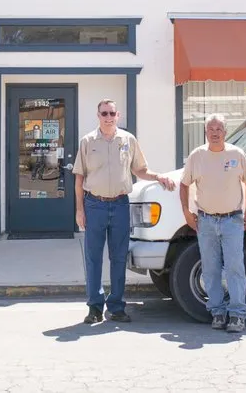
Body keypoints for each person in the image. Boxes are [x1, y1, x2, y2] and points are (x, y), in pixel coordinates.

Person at [74, 98, 176, 324]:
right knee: (93, 258)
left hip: (120, 205)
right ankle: (94, 307)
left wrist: (158, 177)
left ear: (118, 115)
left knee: (119, 257)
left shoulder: (128, 140)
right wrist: (79, 210)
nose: (108, 117)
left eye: (112, 113)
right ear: (98, 115)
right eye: (104, 113)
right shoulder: (88, 141)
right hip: (94, 205)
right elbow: (79, 178)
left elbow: (141, 170)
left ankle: (117, 307)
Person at [180, 113, 246, 333]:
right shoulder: (197, 156)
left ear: (225, 132)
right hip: (205, 221)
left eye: (219, 129)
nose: (215, 133)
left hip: (232, 220)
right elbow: (184, 185)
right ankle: (217, 312)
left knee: (235, 268)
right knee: (210, 270)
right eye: (211, 129)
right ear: (206, 132)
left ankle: (237, 315)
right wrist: (187, 212)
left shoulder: (236, 154)